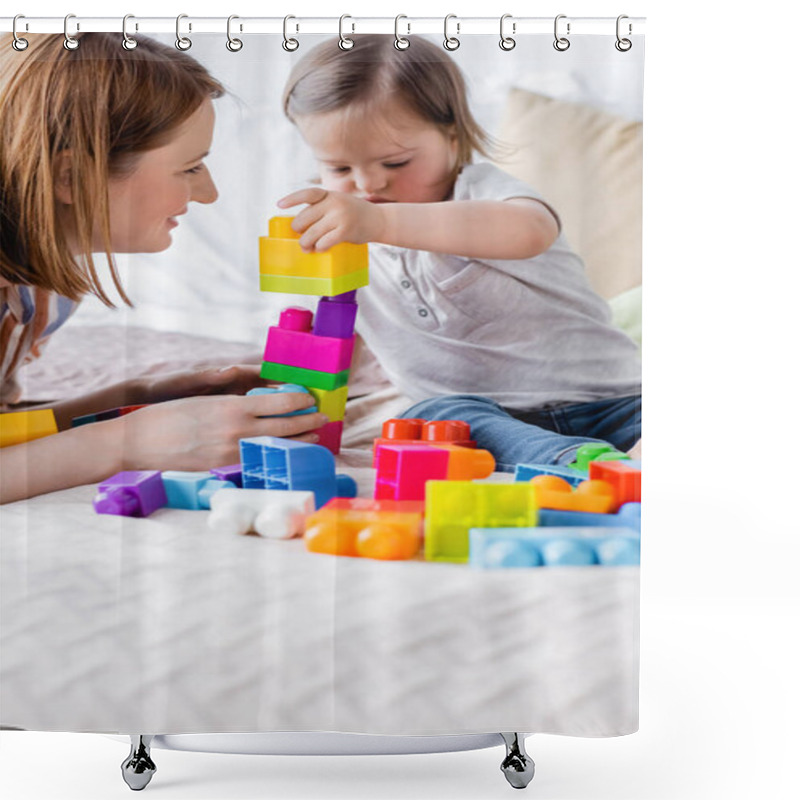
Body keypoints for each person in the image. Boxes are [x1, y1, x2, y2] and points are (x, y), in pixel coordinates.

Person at [277, 34, 642, 472]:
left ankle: (623, 460)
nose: (368, 185)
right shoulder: (337, 233)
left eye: (395, 163)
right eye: (338, 168)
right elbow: (331, 339)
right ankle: (580, 464)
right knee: (423, 417)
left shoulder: (482, 191)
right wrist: (291, 409)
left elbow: (530, 231)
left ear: (451, 134)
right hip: (488, 422)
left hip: (611, 401)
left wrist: (380, 224)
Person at [0, 34, 326, 504]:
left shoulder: (45, 284)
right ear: (71, 177)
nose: (209, 193)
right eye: (190, 168)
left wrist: (136, 398)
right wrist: (125, 443)